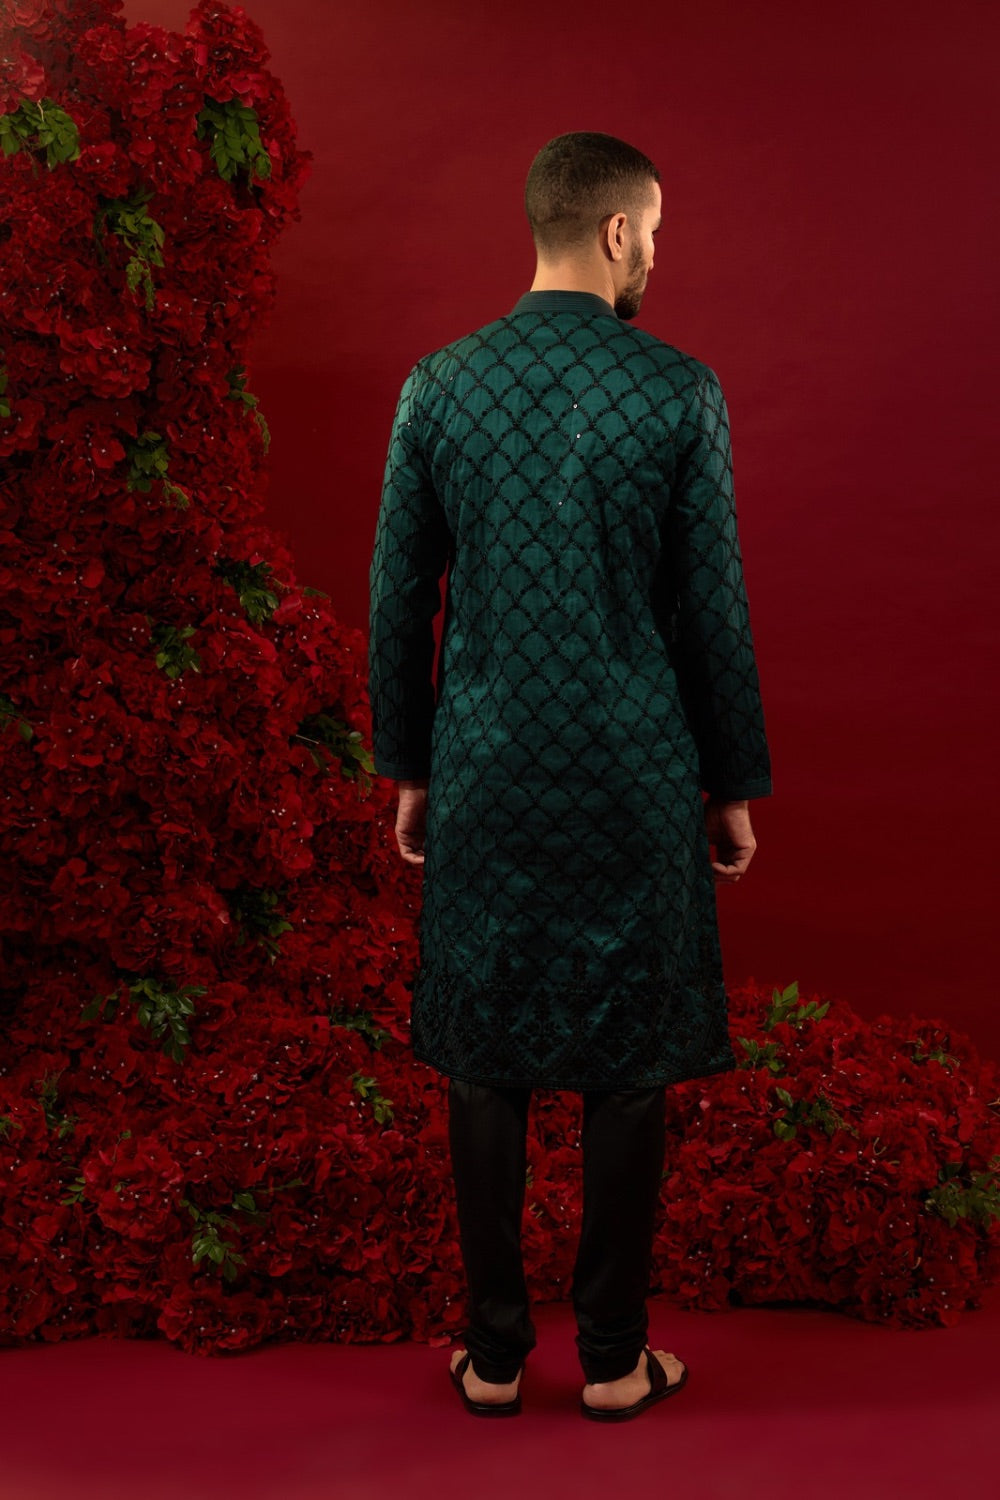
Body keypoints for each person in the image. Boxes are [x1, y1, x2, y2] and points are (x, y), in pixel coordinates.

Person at [368, 131, 772, 1421]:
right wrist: (731, 783)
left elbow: (399, 597)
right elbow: (712, 609)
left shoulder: (438, 385)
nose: (656, 254)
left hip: (485, 762)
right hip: (634, 767)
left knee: (483, 1053)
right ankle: (612, 1359)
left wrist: (409, 765)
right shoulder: (679, 389)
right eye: (653, 232)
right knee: (629, 1057)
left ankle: (493, 1357)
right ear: (613, 231)